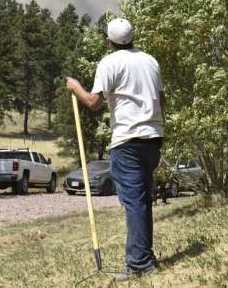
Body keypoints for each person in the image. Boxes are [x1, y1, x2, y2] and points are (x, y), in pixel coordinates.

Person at [66, 17, 165, 282]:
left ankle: (139, 263)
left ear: (108, 41)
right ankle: (144, 257)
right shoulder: (150, 61)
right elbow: (161, 100)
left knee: (134, 202)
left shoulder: (109, 62)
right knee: (142, 200)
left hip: (127, 141)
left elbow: (93, 102)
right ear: (132, 38)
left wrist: (75, 87)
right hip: (153, 138)